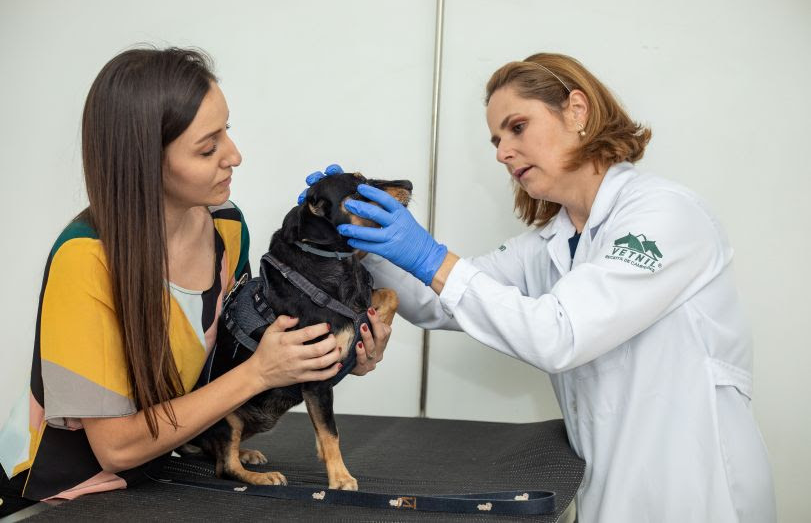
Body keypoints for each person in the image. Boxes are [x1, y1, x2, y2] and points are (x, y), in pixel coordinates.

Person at [308, 53, 777, 522]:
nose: (501, 152)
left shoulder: (665, 216)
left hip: (698, 492)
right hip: (603, 493)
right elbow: (438, 302)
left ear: (577, 110)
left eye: (517, 127)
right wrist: (358, 243)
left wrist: (430, 255)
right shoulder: (550, 244)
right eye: (496, 139)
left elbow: (560, 335)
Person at [0, 47, 390, 513]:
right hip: (59, 493)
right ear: (146, 160)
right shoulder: (85, 260)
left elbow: (238, 350)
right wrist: (261, 371)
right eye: (208, 147)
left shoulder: (225, 226)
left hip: (162, 471)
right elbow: (116, 448)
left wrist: (341, 355)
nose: (234, 156)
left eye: (227, 131)